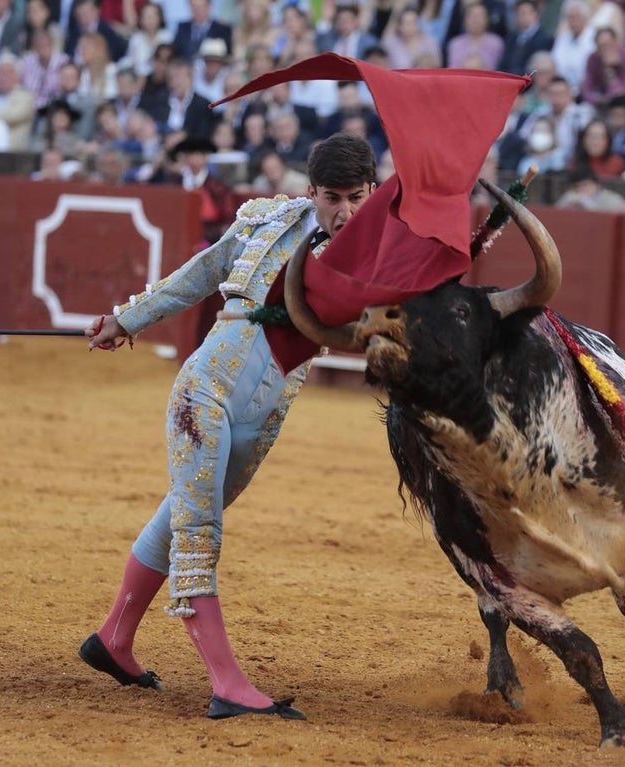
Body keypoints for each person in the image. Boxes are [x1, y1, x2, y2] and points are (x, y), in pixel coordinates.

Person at [78, 133, 379, 721]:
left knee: (178, 520)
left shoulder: (380, 251)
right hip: (205, 396)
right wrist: (125, 318)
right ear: (310, 191)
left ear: (372, 192)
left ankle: (114, 638)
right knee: (198, 533)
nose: (343, 212)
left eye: (356, 197)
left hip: (260, 422)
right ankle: (228, 685)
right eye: (331, 197)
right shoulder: (270, 221)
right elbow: (202, 273)